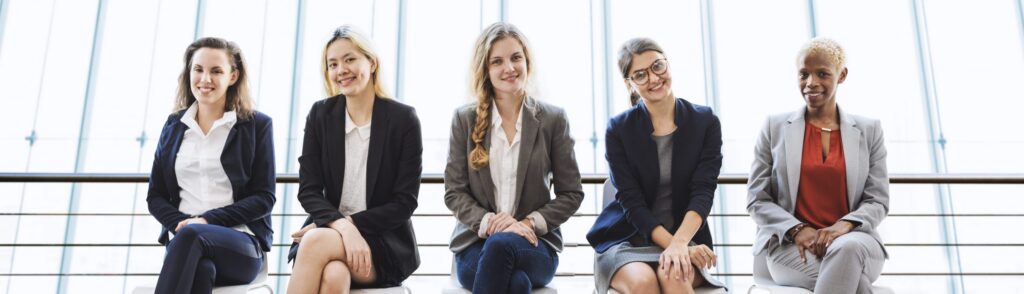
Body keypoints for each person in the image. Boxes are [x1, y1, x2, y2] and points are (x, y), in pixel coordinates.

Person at [443, 22, 584, 294]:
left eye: (515, 57)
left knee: (501, 246)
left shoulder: (552, 119)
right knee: (516, 284)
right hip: (475, 244)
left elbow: (571, 194)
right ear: (485, 70)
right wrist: (490, 223)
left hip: (535, 245)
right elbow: (454, 192)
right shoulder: (465, 119)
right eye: (497, 61)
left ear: (527, 61)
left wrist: (526, 223)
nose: (509, 68)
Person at [286, 25, 422, 293]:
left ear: (371, 63)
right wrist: (342, 228)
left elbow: (404, 202)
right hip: (330, 230)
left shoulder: (403, 119)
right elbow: (309, 191)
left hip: (383, 242)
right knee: (334, 276)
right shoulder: (320, 115)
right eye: (333, 64)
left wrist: (349, 226)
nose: (341, 70)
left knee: (314, 242)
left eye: (350, 59)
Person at [747, 37, 889, 293]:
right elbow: (757, 199)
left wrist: (842, 227)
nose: (811, 83)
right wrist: (797, 229)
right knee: (853, 283)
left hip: (855, 241)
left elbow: (878, 201)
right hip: (791, 246)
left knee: (848, 249)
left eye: (822, 74)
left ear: (841, 75)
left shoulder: (870, 130)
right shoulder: (774, 127)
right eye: (804, 74)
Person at [586, 37, 727, 294]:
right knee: (644, 283)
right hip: (625, 241)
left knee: (674, 274)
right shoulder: (618, 130)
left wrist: (681, 243)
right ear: (629, 83)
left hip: (684, 237)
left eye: (657, 67)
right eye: (640, 74)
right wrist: (676, 245)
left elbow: (703, 192)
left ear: (668, 65)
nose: (653, 78)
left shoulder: (705, 122)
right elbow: (632, 204)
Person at [147, 37, 275, 294]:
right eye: (199, 69)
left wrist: (206, 221)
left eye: (216, 71)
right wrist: (183, 224)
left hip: (241, 244)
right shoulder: (174, 126)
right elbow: (156, 195)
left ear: (233, 76)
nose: (205, 79)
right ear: (189, 72)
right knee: (202, 269)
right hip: (185, 240)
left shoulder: (256, 125)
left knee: (194, 236)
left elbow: (264, 198)